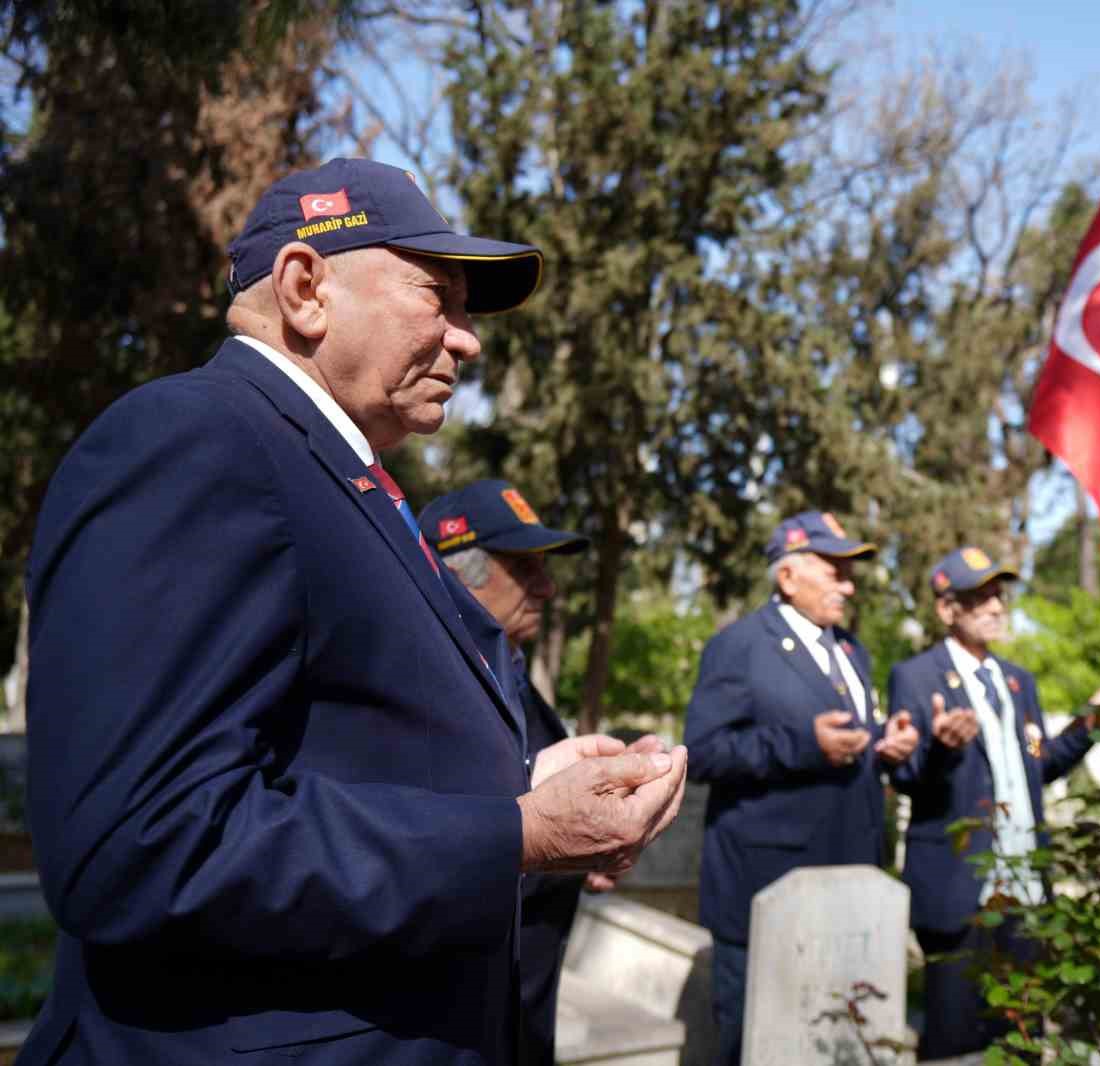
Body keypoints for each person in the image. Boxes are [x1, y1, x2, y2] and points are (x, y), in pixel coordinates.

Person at [21, 158, 687, 1066]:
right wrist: (518, 834)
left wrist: (523, 777)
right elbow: (143, 845)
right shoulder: (199, 443)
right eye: (436, 295)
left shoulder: (344, 481)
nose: (469, 340)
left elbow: (334, 751)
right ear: (306, 288)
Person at [684, 511, 920, 1066]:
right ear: (787, 578)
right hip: (766, 888)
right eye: (834, 570)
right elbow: (704, 751)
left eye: (850, 571)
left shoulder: (850, 649)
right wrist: (803, 745)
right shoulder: (739, 645)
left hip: (847, 882)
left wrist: (885, 741)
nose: (849, 584)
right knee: (754, 1045)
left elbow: (847, 736)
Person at [420, 479, 630, 1066]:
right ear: (456, 571)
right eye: (523, 567)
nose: (547, 588)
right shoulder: (422, 681)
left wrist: (591, 842)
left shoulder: (510, 669)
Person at [886, 546, 1093, 1060]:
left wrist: (1090, 725)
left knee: (1022, 1038)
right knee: (956, 1043)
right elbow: (908, 777)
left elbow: (1035, 769)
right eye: (980, 597)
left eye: (999, 595)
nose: (997, 607)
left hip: (1024, 890)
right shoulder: (916, 677)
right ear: (946, 609)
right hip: (959, 892)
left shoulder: (1020, 680)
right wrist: (941, 747)